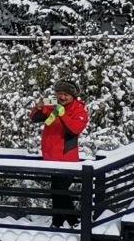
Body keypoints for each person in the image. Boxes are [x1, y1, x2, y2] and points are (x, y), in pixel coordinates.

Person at [29, 81, 89, 227]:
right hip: (51, 157)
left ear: (72, 96)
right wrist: (38, 108)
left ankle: (70, 221)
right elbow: (35, 118)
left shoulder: (79, 110)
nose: (62, 97)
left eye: (66, 94)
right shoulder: (53, 102)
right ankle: (61, 222)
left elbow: (74, 129)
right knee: (57, 191)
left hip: (66, 158)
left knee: (59, 190)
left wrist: (61, 114)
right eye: (59, 93)